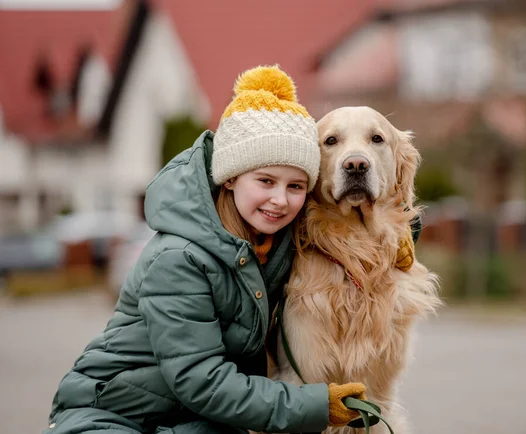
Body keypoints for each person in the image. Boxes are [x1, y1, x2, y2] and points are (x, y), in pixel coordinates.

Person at [43, 65, 415, 434]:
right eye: (266, 181)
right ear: (232, 177)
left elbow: (358, 228)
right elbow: (202, 382)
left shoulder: (280, 241)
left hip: (188, 418)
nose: (279, 200)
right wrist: (318, 406)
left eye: (295, 187)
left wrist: (393, 244)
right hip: (109, 417)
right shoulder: (179, 259)